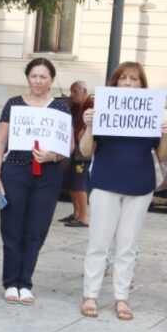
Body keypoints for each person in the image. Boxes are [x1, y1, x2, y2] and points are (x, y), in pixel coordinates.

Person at [79, 62, 167, 320]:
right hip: (106, 183)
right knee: (99, 242)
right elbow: (86, 151)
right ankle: (91, 294)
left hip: (139, 186)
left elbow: (163, 155)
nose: (129, 83)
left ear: (142, 85)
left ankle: (121, 298)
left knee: (128, 245)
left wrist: (164, 135)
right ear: (115, 82)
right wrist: (89, 126)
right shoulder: (102, 109)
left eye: (135, 79)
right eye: (124, 78)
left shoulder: (151, 112)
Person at [0, 57, 72, 305]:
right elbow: (0, 142)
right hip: (15, 172)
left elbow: (69, 145)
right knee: (12, 229)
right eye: (34, 76)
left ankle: (25, 282)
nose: (38, 81)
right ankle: (10, 282)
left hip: (48, 176)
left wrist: (52, 155)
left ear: (51, 81)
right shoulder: (14, 104)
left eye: (43, 77)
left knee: (36, 230)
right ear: (28, 78)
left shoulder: (60, 108)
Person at [61, 80, 93, 227]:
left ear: (84, 91)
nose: (72, 95)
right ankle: (76, 213)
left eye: (75, 92)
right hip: (74, 150)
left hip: (83, 152)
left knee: (80, 185)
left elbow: (82, 133)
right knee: (72, 184)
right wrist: (69, 100)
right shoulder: (75, 106)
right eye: (71, 91)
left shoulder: (91, 107)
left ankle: (84, 217)